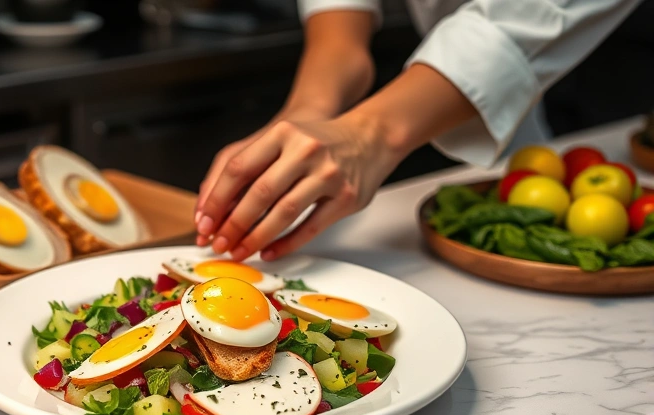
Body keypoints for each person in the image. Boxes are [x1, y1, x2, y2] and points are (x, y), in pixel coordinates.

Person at [194, 0, 642, 262]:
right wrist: (307, 107)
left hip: (604, 60)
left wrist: (371, 133)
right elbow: (341, 31)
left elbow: (534, 15)